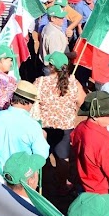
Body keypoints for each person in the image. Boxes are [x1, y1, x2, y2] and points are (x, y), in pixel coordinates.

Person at [34, 51, 85, 192]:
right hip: (65, 128)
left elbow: (33, 103)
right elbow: (83, 103)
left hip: (44, 127)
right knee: (63, 158)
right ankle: (62, 185)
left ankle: (41, 185)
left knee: (41, 156)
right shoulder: (73, 83)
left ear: (51, 67)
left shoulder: (40, 82)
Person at [70, 91, 109, 199]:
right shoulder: (103, 143)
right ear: (95, 116)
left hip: (83, 185)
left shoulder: (80, 127)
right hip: (101, 193)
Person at [0, 80, 50, 166]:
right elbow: (41, 156)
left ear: (13, 98)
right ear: (30, 103)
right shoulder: (33, 126)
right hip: (20, 176)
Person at [39, 5, 69, 73]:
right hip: (54, 70)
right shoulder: (54, 34)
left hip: (49, 68)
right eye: (60, 18)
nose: (63, 19)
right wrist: (70, 55)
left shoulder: (48, 27)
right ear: (52, 18)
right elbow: (55, 57)